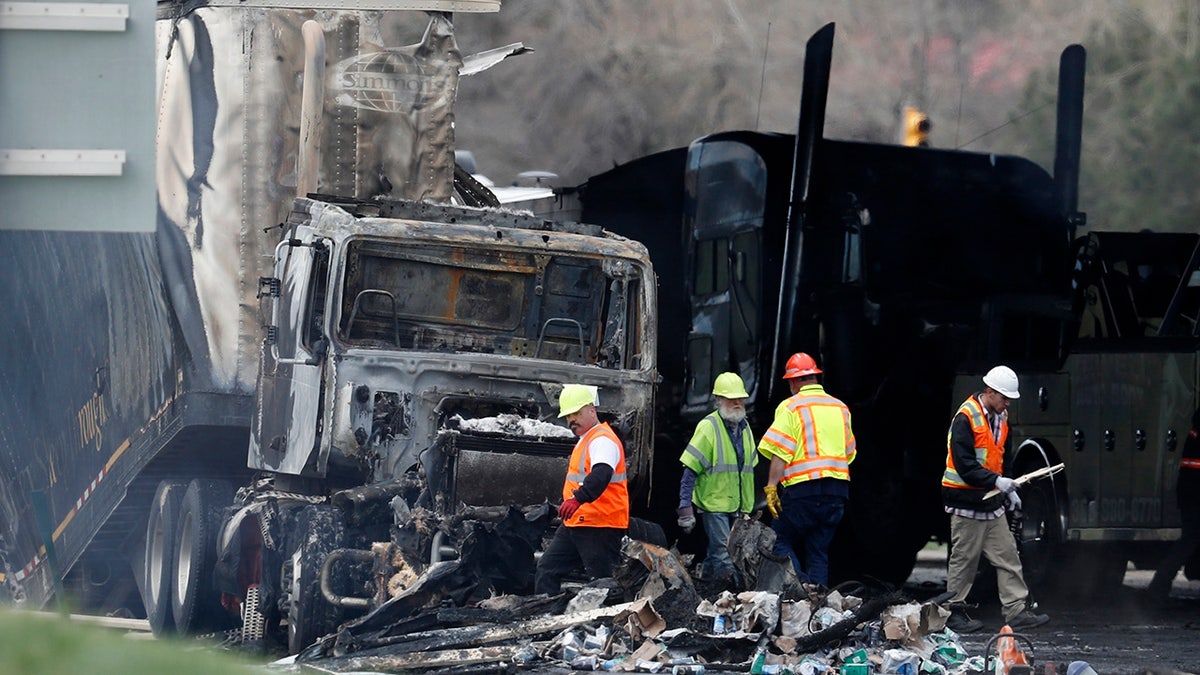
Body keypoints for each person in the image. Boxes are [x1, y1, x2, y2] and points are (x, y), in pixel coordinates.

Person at [941, 365, 1049, 633]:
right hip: (966, 503)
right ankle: (952, 612)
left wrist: (1008, 488)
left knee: (1008, 556)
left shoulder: (1001, 419)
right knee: (964, 562)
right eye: (1004, 397)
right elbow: (964, 465)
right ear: (989, 392)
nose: (1007, 402)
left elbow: (1002, 459)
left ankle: (1016, 611)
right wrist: (997, 482)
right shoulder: (965, 418)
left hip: (990, 503)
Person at [756, 352, 855, 587]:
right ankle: (816, 598)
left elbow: (781, 451)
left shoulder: (791, 407)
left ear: (792, 381)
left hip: (802, 492)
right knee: (818, 550)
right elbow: (849, 453)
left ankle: (797, 589)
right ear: (815, 378)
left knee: (779, 540)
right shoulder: (840, 408)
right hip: (836, 492)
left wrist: (771, 488)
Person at [534, 384, 630, 595]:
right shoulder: (587, 440)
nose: (571, 420)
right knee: (547, 569)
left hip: (600, 523)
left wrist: (577, 499)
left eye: (576, 413)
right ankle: (546, 619)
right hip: (578, 521)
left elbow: (601, 474)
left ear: (591, 410)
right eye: (568, 416)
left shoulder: (603, 440)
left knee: (604, 584)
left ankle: (607, 625)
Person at [677, 372, 758, 584]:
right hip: (715, 504)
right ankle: (728, 599)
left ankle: (706, 588)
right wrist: (685, 509)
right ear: (719, 400)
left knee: (719, 554)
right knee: (726, 555)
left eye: (739, 398)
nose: (737, 403)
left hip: (739, 507)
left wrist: (749, 510)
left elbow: (748, 472)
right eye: (731, 399)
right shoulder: (709, 427)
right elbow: (690, 470)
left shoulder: (745, 428)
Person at [1147, 408, 1200, 604]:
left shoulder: (1196, 430)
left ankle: (1158, 587)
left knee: (1188, 542)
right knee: (1189, 541)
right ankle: (1157, 588)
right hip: (1194, 494)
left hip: (1190, 493)